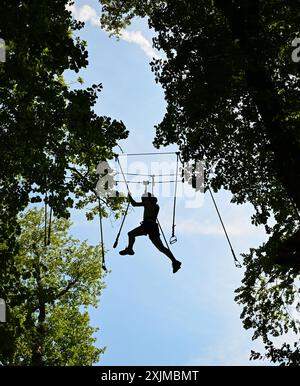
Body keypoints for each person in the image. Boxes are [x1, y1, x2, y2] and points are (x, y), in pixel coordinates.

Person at [119, 192, 182, 273]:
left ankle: (130, 249)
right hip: (153, 226)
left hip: (147, 225)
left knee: (131, 234)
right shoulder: (156, 206)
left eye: (143, 199)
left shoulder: (147, 202)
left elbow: (134, 204)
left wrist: (129, 196)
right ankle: (174, 261)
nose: (143, 200)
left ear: (146, 198)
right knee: (161, 248)